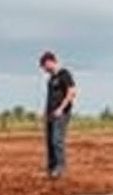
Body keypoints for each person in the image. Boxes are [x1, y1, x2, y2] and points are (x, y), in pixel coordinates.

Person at [39, 51, 77, 179]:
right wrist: (46, 113)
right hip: (50, 114)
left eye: (44, 65)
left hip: (61, 114)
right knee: (49, 141)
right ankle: (51, 168)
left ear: (50, 62)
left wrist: (61, 108)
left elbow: (72, 92)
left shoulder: (64, 74)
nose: (44, 69)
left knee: (57, 140)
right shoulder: (51, 80)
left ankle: (60, 168)